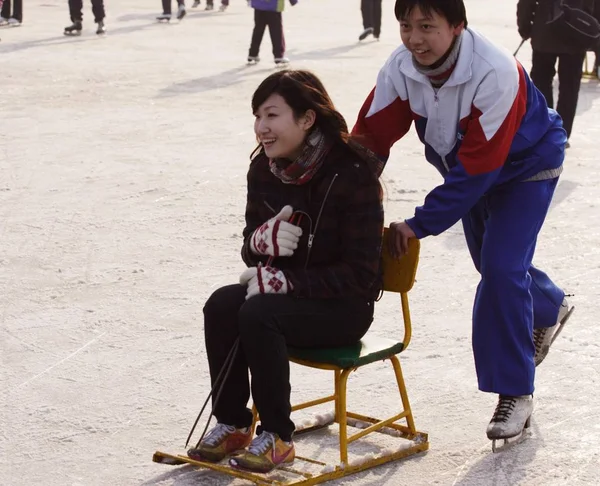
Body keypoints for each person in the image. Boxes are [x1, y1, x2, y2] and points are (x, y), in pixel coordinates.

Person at [352, 0, 573, 445]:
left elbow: (478, 167)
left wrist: (419, 223)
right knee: (494, 268)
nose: (415, 38)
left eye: (427, 26)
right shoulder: (401, 68)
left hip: (526, 165)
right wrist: (342, 194)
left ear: (457, 26)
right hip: (470, 171)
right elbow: (369, 139)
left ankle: (516, 392)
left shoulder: (494, 72)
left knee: (500, 270)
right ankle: (550, 304)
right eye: (406, 25)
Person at [186, 69, 384, 473]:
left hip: (343, 308)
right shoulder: (264, 169)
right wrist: (259, 241)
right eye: (258, 117)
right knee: (222, 304)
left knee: (259, 313)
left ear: (307, 118)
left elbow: (362, 275)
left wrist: (288, 280)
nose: (262, 128)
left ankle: (277, 435)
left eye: (272, 116)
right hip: (287, 299)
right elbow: (249, 247)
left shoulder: (352, 173)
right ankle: (234, 423)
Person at [517, 0, 600, 146]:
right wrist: (592, 31)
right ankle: (561, 132)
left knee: (541, 82)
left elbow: (526, 3)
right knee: (570, 87)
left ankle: (545, 129)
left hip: (545, 31)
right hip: (576, 31)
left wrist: (525, 27)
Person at [247, 0, 297, 66]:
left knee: (258, 29)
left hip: (258, 5)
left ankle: (253, 54)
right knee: (276, 31)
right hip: (274, 5)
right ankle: (278, 56)